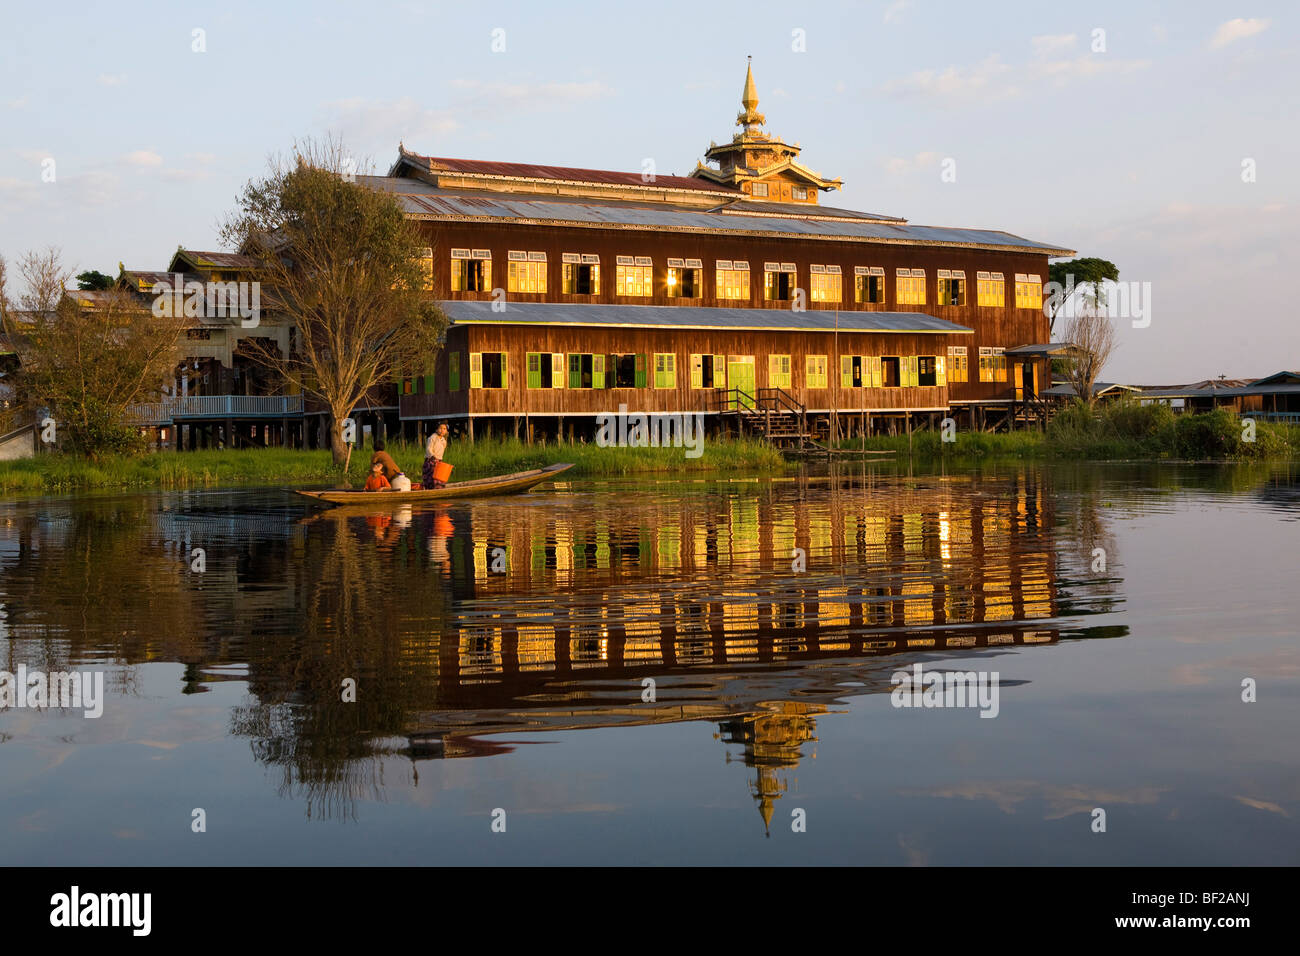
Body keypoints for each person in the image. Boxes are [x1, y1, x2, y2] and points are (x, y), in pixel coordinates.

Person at [424, 422, 450, 489]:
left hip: (438, 461)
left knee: (439, 476)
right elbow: (428, 449)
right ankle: (430, 488)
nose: (442, 430)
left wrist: (439, 460)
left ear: (446, 431)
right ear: (436, 430)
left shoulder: (444, 441)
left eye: (444, 429)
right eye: (440, 428)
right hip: (430, 460)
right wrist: (432, 456)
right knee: (430, 476)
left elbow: (442, 451)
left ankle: (438, 488)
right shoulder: (432, 438)